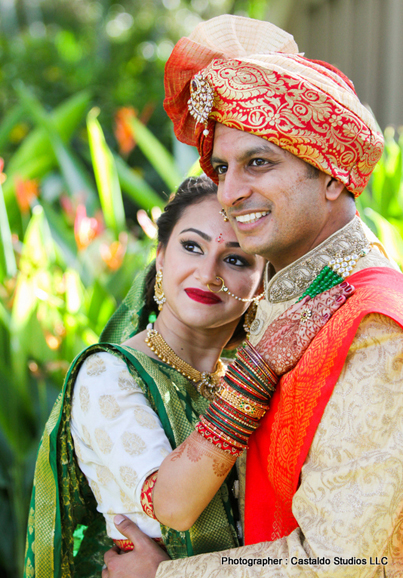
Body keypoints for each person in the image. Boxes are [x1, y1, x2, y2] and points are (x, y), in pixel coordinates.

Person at [102, 14, 403, 578]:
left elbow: (339, 562)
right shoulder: (283, 300)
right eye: (221, 167)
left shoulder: (374, 325)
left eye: (259, 162)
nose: (231, 192)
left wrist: (161, 576)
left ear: (333, 173)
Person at [23, 176, 347, 578]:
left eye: (236, 258)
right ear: (160, 257)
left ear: (262, 286)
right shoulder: (109, 375)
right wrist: (257, 371)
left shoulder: (247, 381)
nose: (208, 273)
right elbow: (174, 506)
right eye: (191, 246)